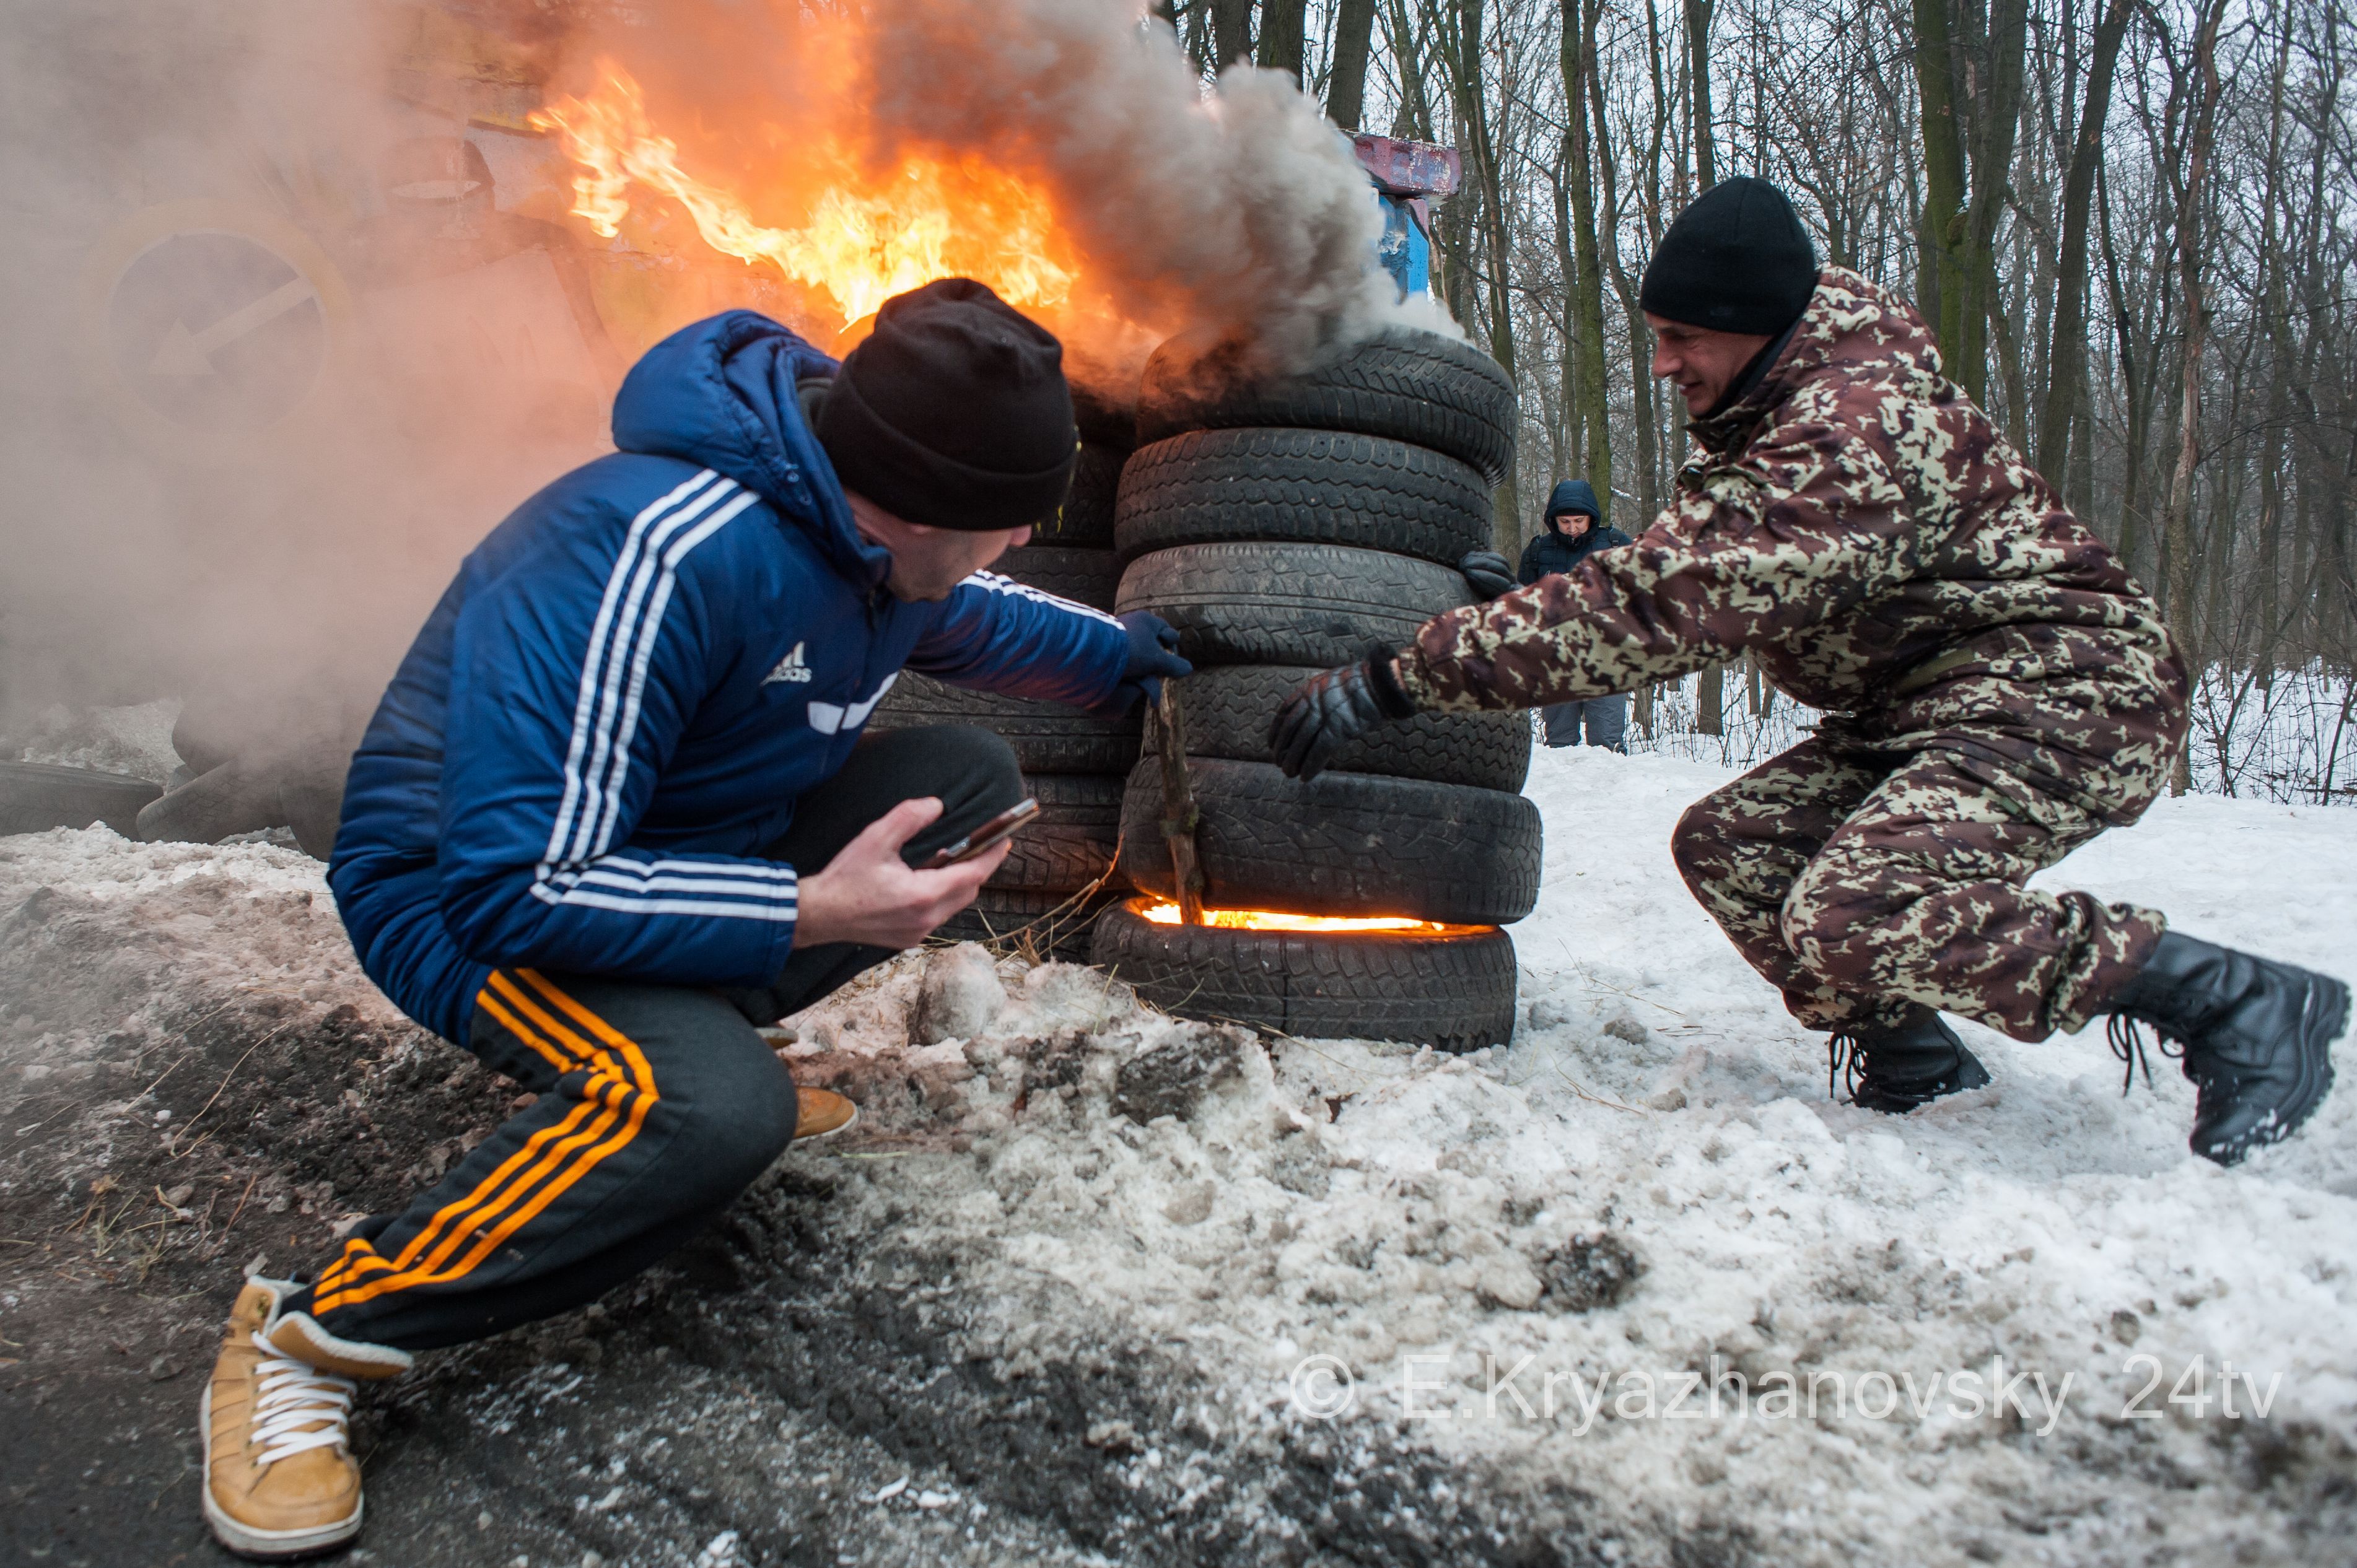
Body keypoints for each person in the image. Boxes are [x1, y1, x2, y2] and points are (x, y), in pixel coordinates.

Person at [196, 279, 1189, 1560]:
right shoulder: (652, 549)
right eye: (1012, 522)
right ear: (918, 509)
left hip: (654, 856)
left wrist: (1134, 652)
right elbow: (517, 888)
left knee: (968, 782)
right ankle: (314, 1331)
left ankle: (681, 1038)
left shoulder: (874, 535)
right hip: (458, 894)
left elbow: (983, 618)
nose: (1018, 544)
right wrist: (811, 907)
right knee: (718, 1113)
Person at [1270, 176, 2342, 1166]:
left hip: (2067, 694)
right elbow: (1657, 571)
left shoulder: (1851, 432)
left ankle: (2231, 1001)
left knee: (1859, 906)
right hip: (1929, 704)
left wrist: (1405, 676)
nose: (1662, 365)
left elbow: (1666, 606)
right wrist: (1502, 608)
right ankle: (1915, 1061)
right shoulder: (1769, 417)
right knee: (1735, 848)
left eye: (1682, 338)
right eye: (1655, 336)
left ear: (1754, 327)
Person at [1517, 479, 1633, 749]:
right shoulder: (1537, 552)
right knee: (1560, 744)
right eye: (1565, 522)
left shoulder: (1616, 545)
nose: (1572, 528)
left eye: (1579, 521)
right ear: (1553, 520)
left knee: (1607, 746)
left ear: (1591, 517)